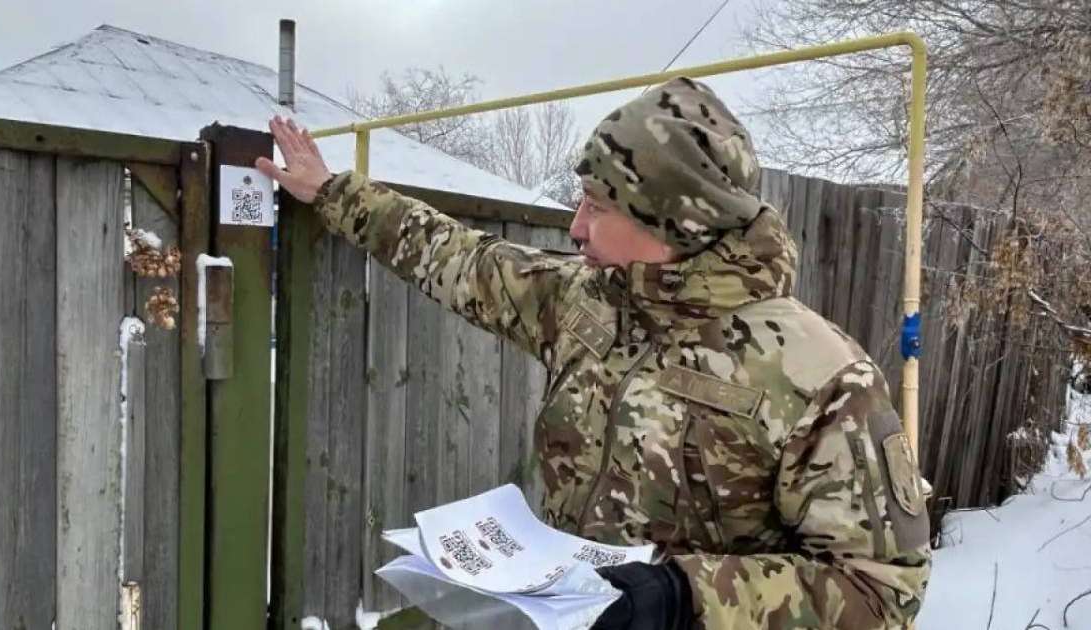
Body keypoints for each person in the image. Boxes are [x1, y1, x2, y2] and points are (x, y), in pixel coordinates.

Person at [257, 77, 931, 629]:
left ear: (675, 223)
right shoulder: (585, 299)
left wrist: (682, 597)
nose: (575, 227)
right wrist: (333, 192)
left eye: (598, 205)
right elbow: (460, 259)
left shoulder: (820, 377)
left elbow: (882, 593)